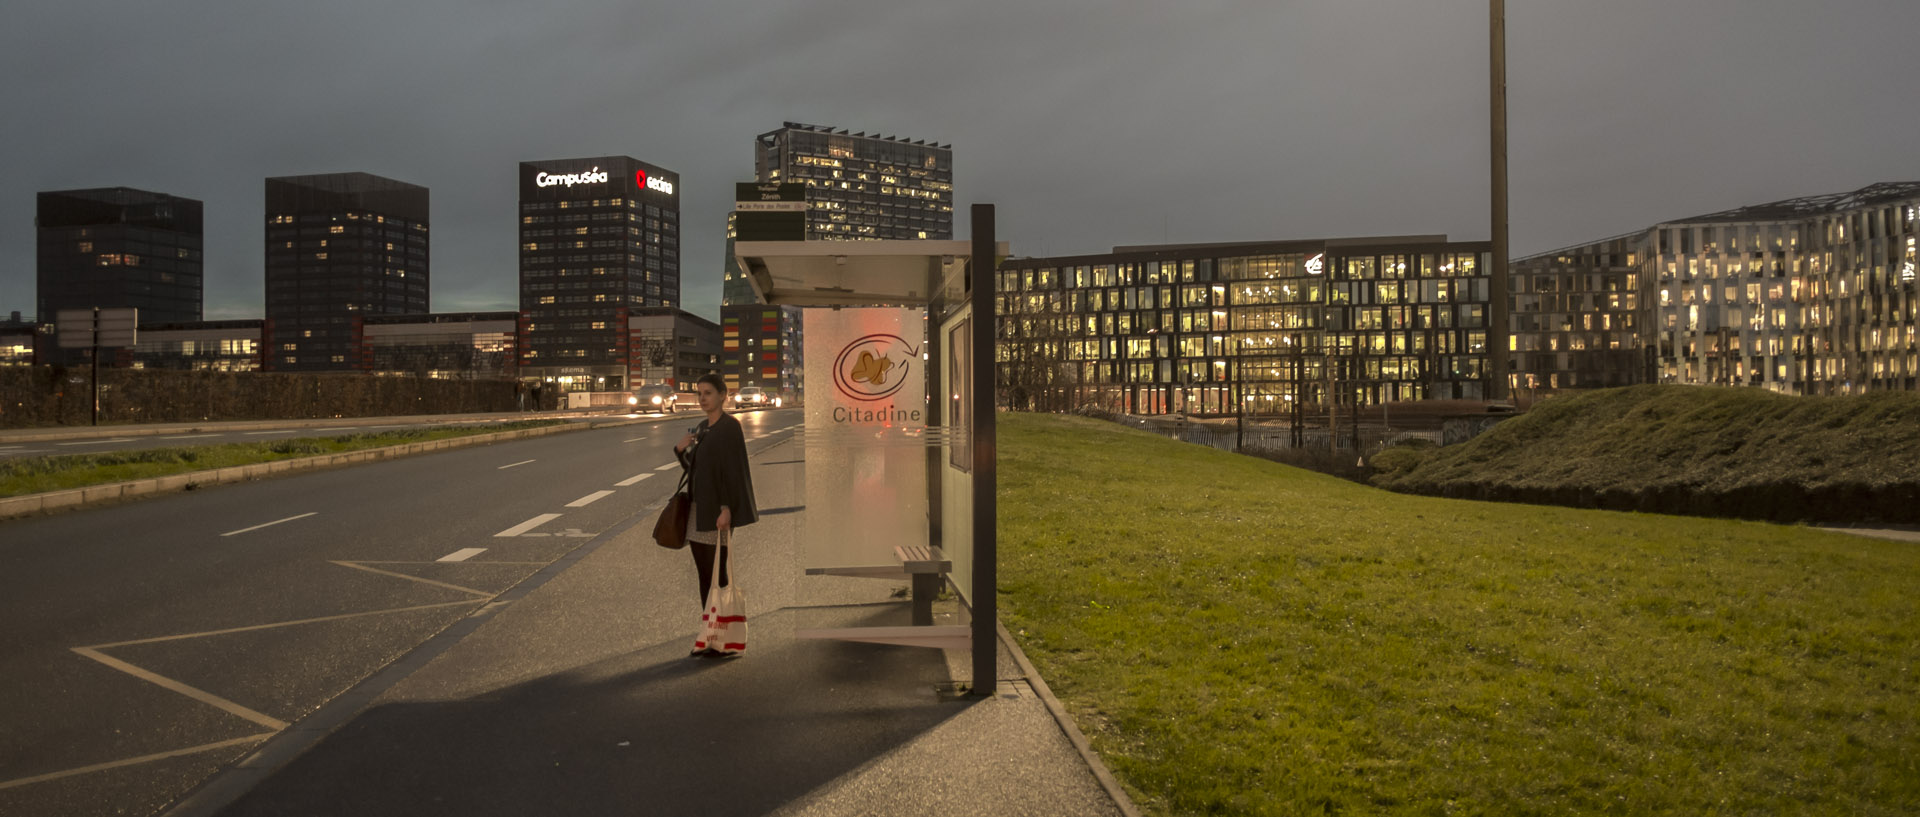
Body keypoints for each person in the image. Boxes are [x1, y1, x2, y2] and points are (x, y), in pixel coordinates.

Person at [673, 373, 758, 654]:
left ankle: (721, 639)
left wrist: (726, 508)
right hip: (699, 509)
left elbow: (730, 472)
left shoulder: (729, 427)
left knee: (717, 576)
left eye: (708, 393)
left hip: (717, 511)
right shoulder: (703, 427)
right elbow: (696, 470)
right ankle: (711, 634)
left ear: (723, 395)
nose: (702, 398)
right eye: (699, 393)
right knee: (704, 575)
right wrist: (680, 451)